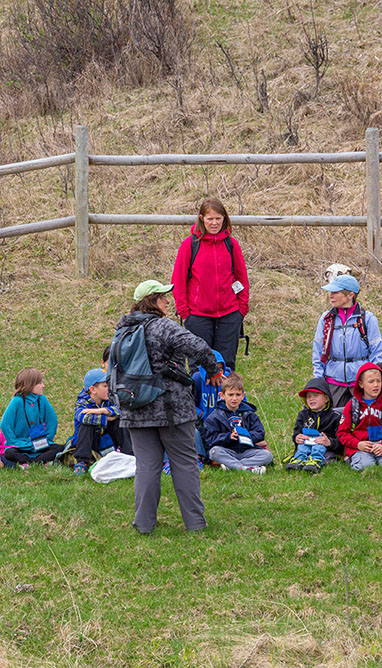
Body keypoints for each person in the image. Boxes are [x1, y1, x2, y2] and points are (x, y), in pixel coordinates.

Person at [113, 279, 221, 534]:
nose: (168, 301)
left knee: (147, 467)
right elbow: (199, 347)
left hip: (135, 408)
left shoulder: (122, 329)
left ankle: (143, 524)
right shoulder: (163, 327)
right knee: (184, 463)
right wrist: (213, 370)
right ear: (151, 301)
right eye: (163, 297)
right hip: (171, 409)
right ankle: (195, 523)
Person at [171, 198, 249, 370]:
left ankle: (225, 398)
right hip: (198, 316)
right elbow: (178, 280)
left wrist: (241, 308)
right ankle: (199, 398)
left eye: (218, 219)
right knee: (199, 367)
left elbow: (241, 278)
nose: (214, 223)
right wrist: (185, 312)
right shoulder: (189, 245)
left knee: (226, 366)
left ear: (224, 219)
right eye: (210, 219)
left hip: (229, 315)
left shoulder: (231, 244)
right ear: (201, 219)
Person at [311, 274, 382, 408]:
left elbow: (377, 352)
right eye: (330, 292)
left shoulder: (367, 319)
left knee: (363, 423)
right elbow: (317, 351)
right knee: (333, 424)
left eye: (335, 292)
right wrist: (319, 379)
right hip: (333, 382)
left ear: (350, 295)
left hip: (360, 383)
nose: (330, 295)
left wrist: (370, 379)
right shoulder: (326, 319)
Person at [337, 362, 382, 471]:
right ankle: (353, 458)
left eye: (379, 381)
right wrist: (358, 444)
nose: (376, 385)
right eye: (371, 381)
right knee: (365, 466)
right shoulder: (352, 405)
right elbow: (342, 433)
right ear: (361, 384)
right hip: (360, 448)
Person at [204, 373, 272, 473]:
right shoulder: (214, 416)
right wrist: (229, 437)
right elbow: (211, 439)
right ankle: (245, 468)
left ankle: (232, 466)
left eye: (238, 395)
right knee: (215, 452)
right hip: (227, 450)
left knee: (267, 455)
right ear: (222, 395)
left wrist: (246, 436)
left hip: (247, 451)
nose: (234, 398)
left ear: (243, 396)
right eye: (230, 395)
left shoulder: (249, 414)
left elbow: (260, 433)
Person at [0, 368, 64, 467]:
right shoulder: (17, 401)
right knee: (9, 453)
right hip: (20, 445)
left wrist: (47, 439)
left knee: (60, 448)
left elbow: (52, 420)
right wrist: (14, 441)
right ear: (29, 385)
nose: (43, 386)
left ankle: (29, 462)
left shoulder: (42, 399)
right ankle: (39, 461)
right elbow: (5, 424)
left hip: (40, 444)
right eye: (40, 383)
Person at [71, 368, 130, 475]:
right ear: (93, 389)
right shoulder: (82, 402)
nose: (109, 388)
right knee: (86, 424)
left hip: (107, 440)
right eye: (105, 386)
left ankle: (128, 454)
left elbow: (121, 410)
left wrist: (102, 410)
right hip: (90, 443)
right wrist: (106, 418)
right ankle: (82, 462)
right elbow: (82, 416)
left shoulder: (110, 399)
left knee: (119, 420)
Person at [286, 377, 341, 472]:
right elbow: (296, 433)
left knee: (328, 456)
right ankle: (298, 461)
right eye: (308, 396)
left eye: (316, 395)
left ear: (326, 398)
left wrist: (329, 442)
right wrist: (297, 438)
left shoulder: (335, 417)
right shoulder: (303, 415)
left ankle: (315, 462)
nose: (311, 399)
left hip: (325, 448)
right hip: (305, 445)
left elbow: (340, 441)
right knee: (300, 449)